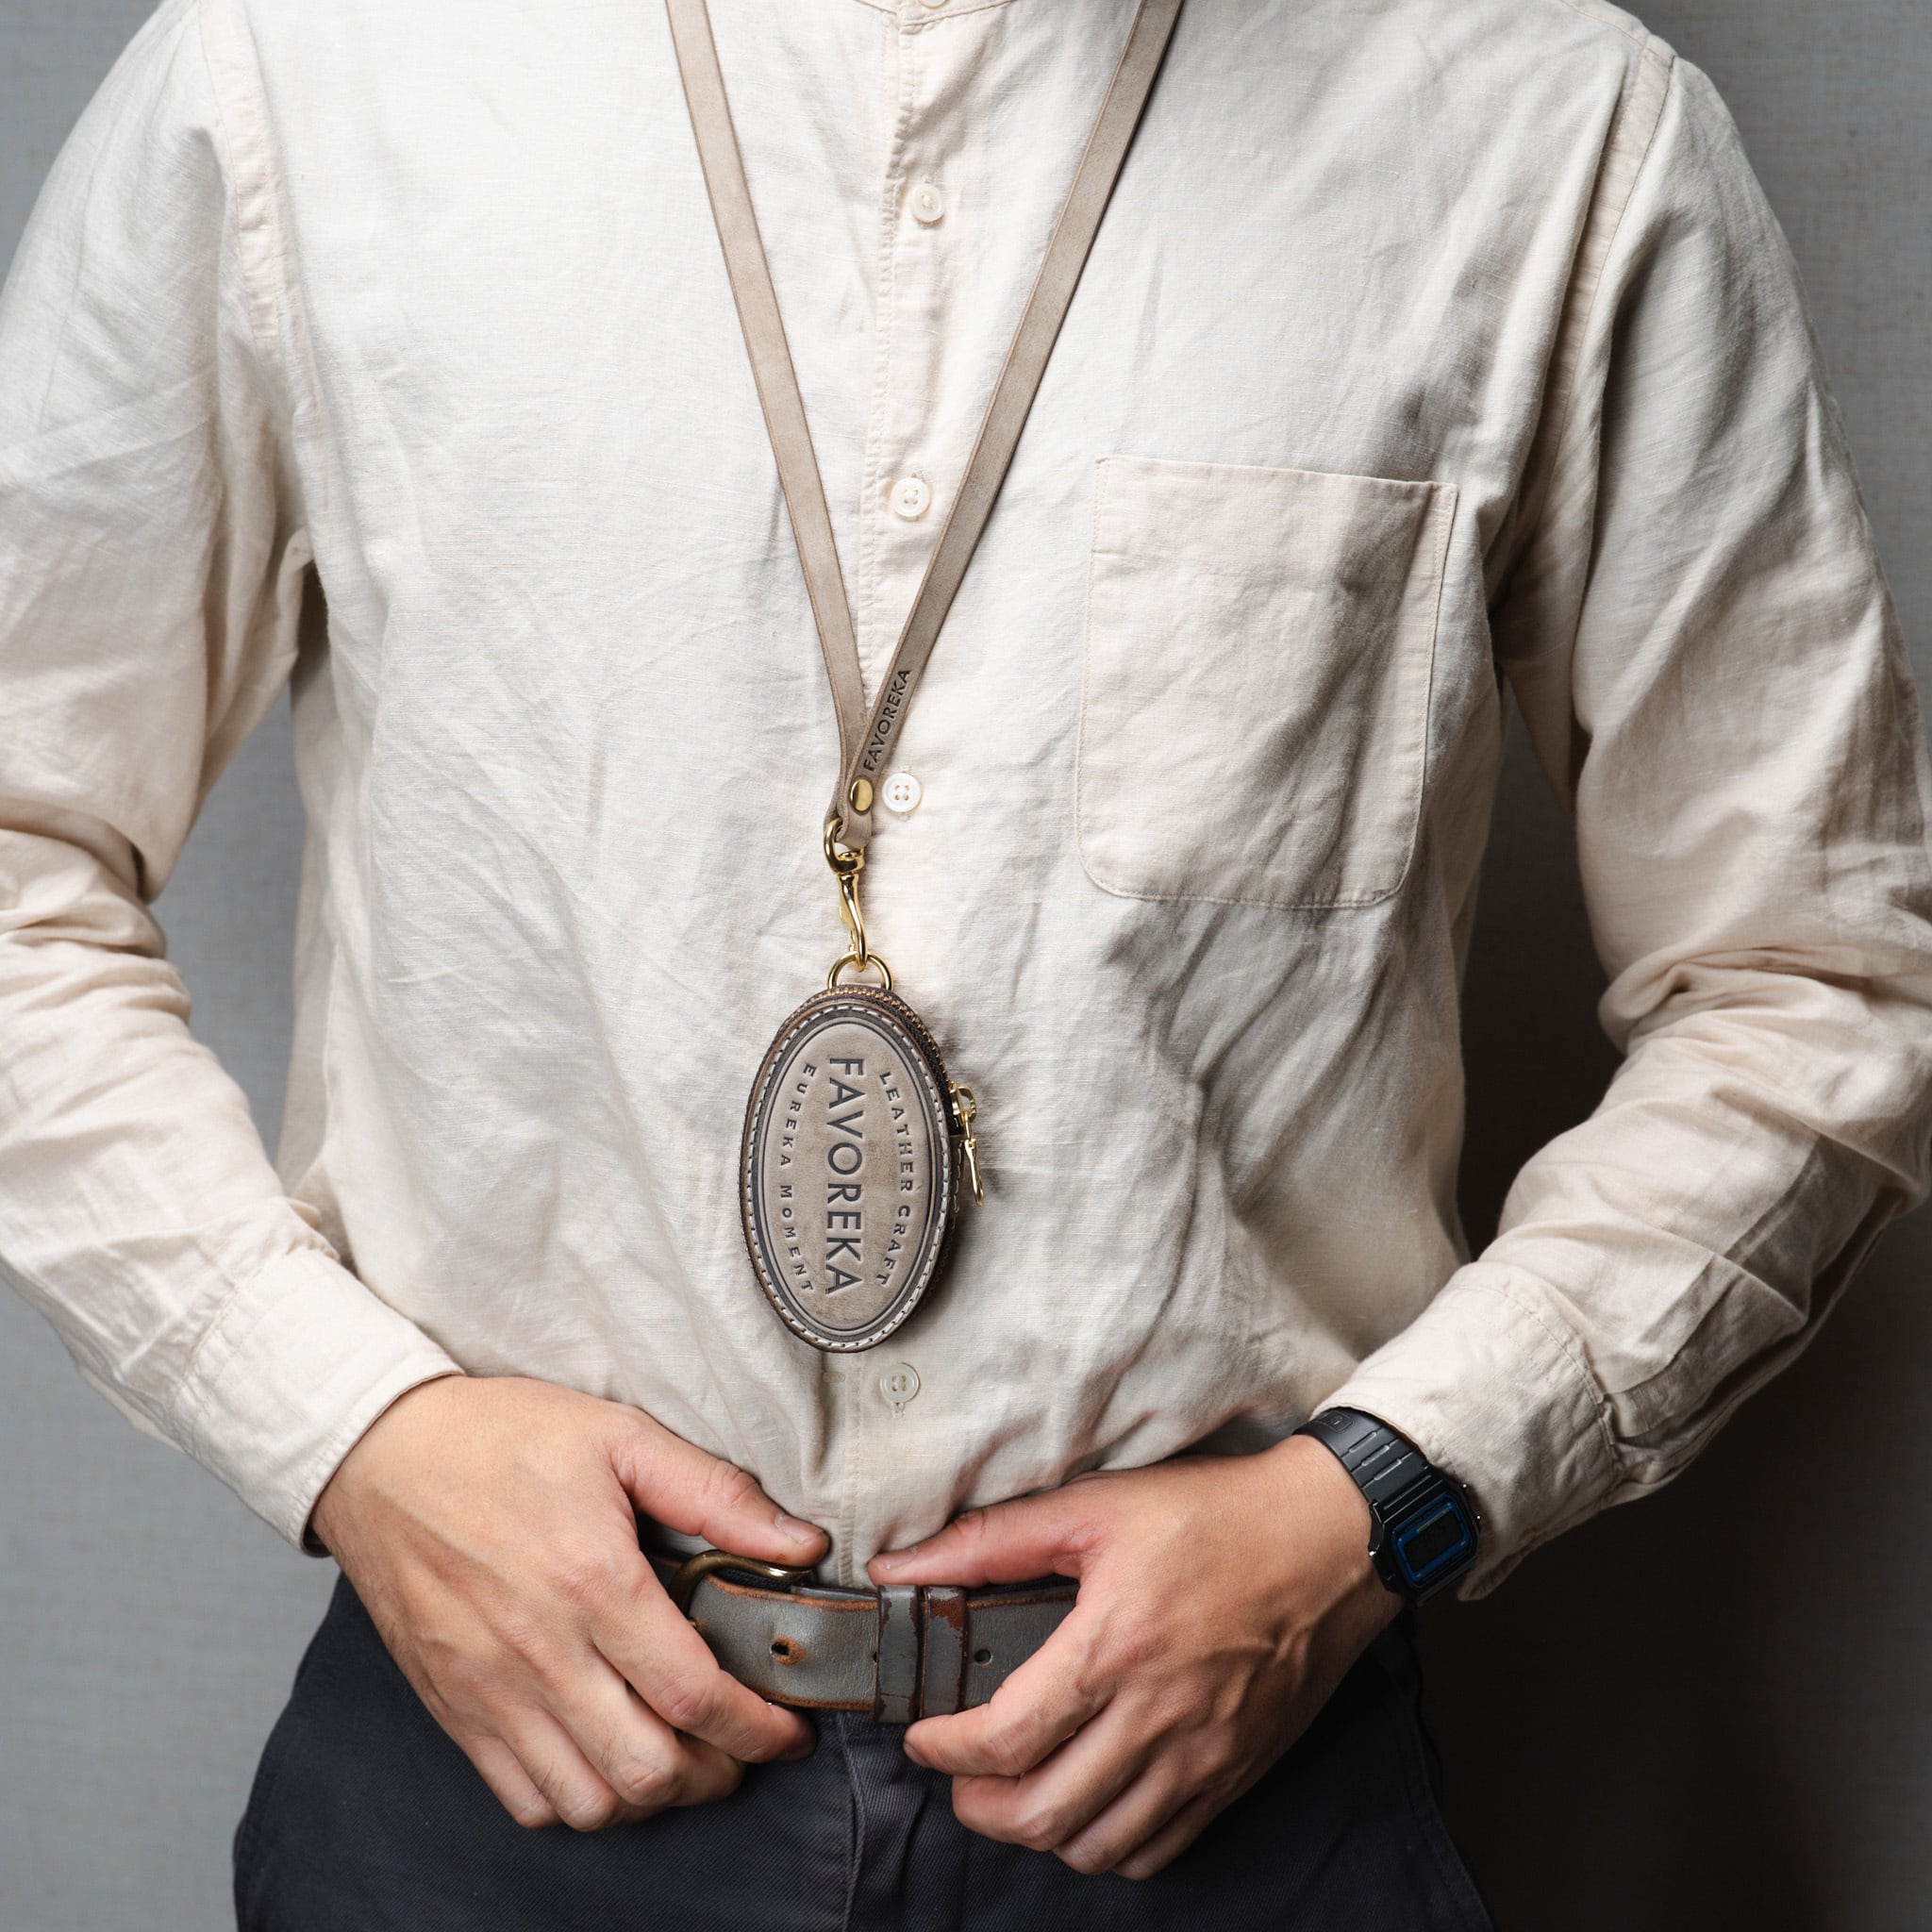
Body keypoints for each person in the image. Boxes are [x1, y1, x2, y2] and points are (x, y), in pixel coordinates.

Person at [2, 0, 1926, 1924]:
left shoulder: (1550, 130)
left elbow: (1815, 979)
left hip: (1227, 1803)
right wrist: (350, 1434)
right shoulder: (297, 77)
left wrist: (1389, 1496)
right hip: (498, 1775)